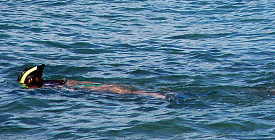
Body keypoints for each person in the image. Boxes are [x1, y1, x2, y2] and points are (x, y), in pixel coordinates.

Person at [17, 64, 167, 99]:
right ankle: (155, 95)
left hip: (80, 87)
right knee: (115, 89)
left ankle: (155, 95)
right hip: (82, 89)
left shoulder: (46, 84)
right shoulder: (43, 86)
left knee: (114, 88)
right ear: (32, 79)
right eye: (39, 74)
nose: (41, 75)